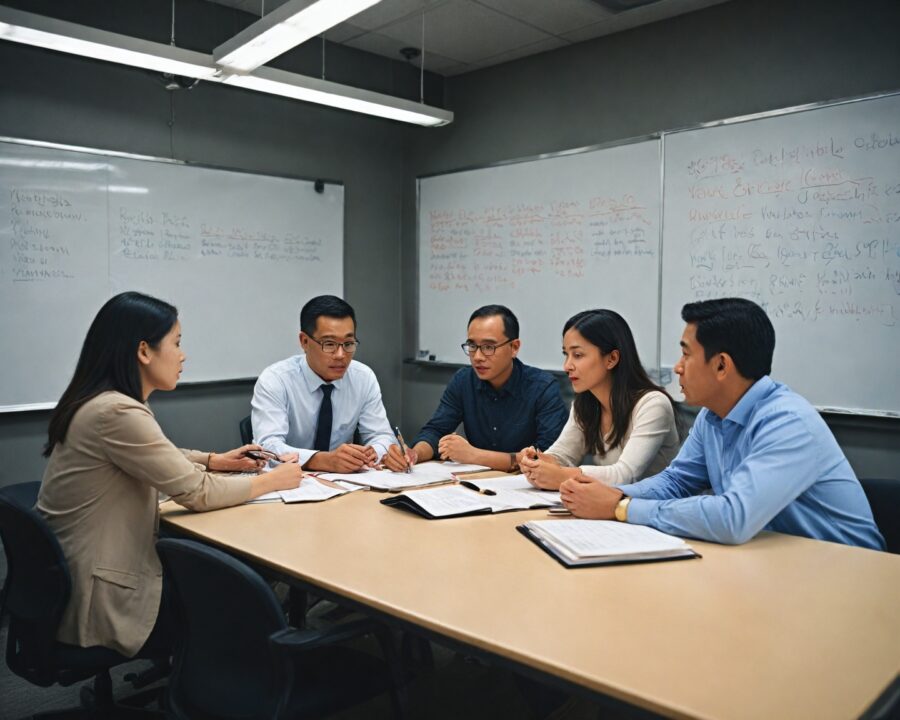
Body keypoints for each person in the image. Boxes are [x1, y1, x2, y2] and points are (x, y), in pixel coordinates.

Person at [37, 292, 302, 658]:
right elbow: (198, 494)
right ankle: (231, 682)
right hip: (101, 594)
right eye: (176, 343)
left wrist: (213, 460)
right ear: (144, 351)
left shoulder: (101, 401)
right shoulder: (117, 412)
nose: (183, 354)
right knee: (241, 588)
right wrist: (272, 480)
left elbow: (158, 454)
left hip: (80, 573)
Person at [559, 297, 885, 550]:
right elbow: (676, 482)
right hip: (770, 557)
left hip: (847, 570)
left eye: (686, 355)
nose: (677, 368)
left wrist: (621, 507)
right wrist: (608, 492)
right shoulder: (713, 416)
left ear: (721, 366)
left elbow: (733, 517)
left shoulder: (788, 422)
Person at [383, 304, 568, 473]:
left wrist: (474, 455)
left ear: (514, 347)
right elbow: (435, 431)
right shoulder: (464, 381)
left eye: (488, 347)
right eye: (472, 345)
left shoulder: (542, 388)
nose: (478, 356)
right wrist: (414, 453)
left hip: (527, 488)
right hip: (478, 485)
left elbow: (548, 457)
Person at [520, 309, 680, 490]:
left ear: (611, 359)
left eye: (578, 355)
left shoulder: (653, 405)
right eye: (566, 354)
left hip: (652, 510)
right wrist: (538, 461)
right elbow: (564, 456)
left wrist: (563, 475)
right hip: (609, 508)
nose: (567, 366)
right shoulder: (585, 403)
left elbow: (625, 475)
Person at [252, 295, 395, 472]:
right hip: (288, 481)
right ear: (304, 341)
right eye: (329, 344)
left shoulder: (363, 377)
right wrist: (323, 460)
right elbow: (268, 447)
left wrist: (373, 452)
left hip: (344, 482)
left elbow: (382, 435)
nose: (341, 355)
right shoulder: (276, 380)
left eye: (348, 343)